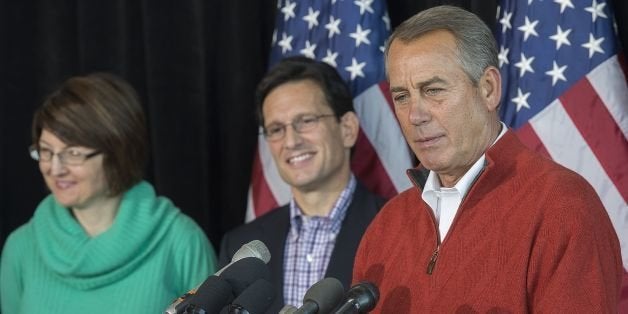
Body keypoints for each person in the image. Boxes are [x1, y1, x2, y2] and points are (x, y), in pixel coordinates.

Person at [352, 5, 623, 313]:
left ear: (489, 89)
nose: (415, 115)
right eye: (402, 96)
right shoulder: (386, 226)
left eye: (434, 90)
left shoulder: (563, 207)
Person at [0, 73, 217, 313]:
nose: (55, 168)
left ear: (117, 152)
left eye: (73, 153)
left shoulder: (182, 242)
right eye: (45, 151)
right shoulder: (21, 246)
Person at [219, 56, 387, 313]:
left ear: (348, 129)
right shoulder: (241, 245)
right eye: (276, 129)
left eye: (306, 121)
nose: (291, 141)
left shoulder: (396, 229)